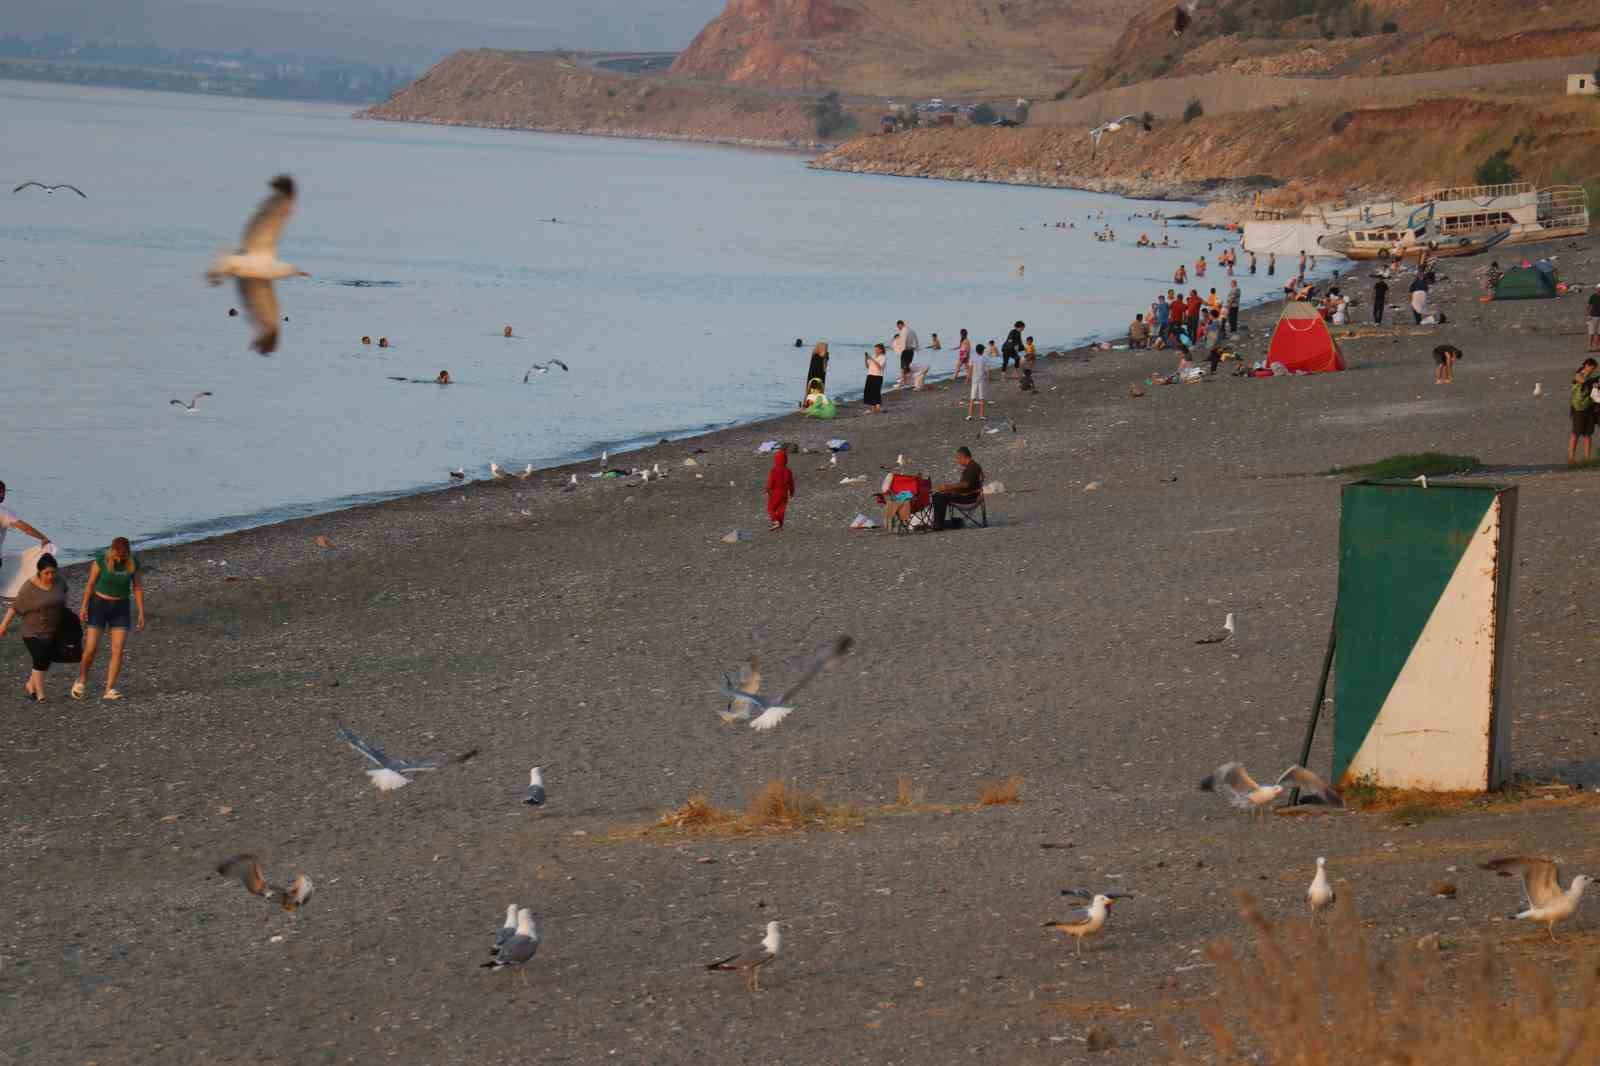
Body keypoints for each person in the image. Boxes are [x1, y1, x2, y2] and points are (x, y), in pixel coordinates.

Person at [73, 536, 145, 701]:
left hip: (121, 608)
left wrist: (141, 612)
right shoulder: (101, 560)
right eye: (118, 555)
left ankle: (109, 688)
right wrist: (83, 606)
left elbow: (138, 587)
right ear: (113, 551)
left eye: (123, 555)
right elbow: (90, 584)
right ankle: (81, 680)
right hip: (99, 605)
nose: (120, 558)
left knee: (118, 650)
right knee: (91, 649)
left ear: (128, 552)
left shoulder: (133, 563)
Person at [0, 553, 66, 702]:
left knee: (45, 660)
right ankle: (41, 694)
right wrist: (3, 625)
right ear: (39, 572)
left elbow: (63, 596)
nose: (50, 576)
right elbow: (14, 607)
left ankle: (30, 685)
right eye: (47, 573)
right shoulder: (29, 587)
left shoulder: (60, 581)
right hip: (32, 631)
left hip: (52, 629)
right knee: (40, 657)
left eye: (53, 572)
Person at [0, 481, 53, 589]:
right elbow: (24, 528)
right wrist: (42, 537)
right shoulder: (3, 513)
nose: (3, 495)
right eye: (2, 492)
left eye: (4, 492)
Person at [932, 447, 984, 531]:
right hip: (969, 495)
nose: (957, 460)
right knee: (939, 494)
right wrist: (949, 490)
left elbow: (965, 485)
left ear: (963, 457)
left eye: (958, 458)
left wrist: (948, 487)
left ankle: (938, 524)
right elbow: (966, 486)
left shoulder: (973, 467)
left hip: (969, 498)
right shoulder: (972, 466)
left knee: (940, 497)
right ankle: (938, 522)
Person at [1572, 359, 1599, 464]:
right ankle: (1571, 458)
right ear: (1586, 365)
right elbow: (1582, 381)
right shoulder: (1578, 375)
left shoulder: (1590, 377)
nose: (1592, 370)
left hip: (1590, 408)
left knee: (1588, 434)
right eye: (1592, 368)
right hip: (1579, 409)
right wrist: (1594, 382)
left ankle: (1587, 459)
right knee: (1575, 434)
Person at [765, 450, 795, 532]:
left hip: (775, 492)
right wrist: (792, 492)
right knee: (781, 509)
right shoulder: (788, 471)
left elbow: (770, 482)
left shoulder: (773, 471)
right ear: (786, 460)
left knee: (771, 508)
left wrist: (767, 490)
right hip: (784, 493)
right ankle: (780, 525)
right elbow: (791, 483)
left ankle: (775, 521)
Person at [892, 320, 919, 388]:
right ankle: (907, 381)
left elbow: (903, 342)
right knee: (907, 366)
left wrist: (900, 350)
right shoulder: (912, 330)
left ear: (900, 324)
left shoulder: (904, 331)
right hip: (911, 351)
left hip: (905, 351)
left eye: (898, 327)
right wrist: (916, 348)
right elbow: (916, 340)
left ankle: (902, 383)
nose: (898, 328)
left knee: (903, 367)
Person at [967, 343, 990, 421]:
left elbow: (970, 369)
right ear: (982, 351)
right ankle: (981, 416)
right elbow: (987, 370)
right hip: (982, 380)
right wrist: (988, 378)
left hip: (974, 379)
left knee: (972, 398)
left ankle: (970, 415)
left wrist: (968, 378)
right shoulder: (985, 358)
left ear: (976, 350)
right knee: (981, 398)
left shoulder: (972, 358)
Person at [863, 344, 886, 414]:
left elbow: (880, 367)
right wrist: (866, 359)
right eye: (875, 349)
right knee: (869, 392)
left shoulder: (883, 357)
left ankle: (877, 408)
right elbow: (867, 366)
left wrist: (872, 359)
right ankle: (873, 408)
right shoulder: (873, 356)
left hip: (878, 376)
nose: (875, 351)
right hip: (870, 375)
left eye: (877, 349)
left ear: (881, 350)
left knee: (876, 392)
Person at [1588, 284, 1600, 353]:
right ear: (1597, 289)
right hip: (1593, 316)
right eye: (1598, 288)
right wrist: (1588, 315)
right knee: (1591, 332)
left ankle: (1597, 346)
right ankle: (1590, 346)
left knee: (1599, 333)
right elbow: (1589, 306)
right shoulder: (1593, 296)